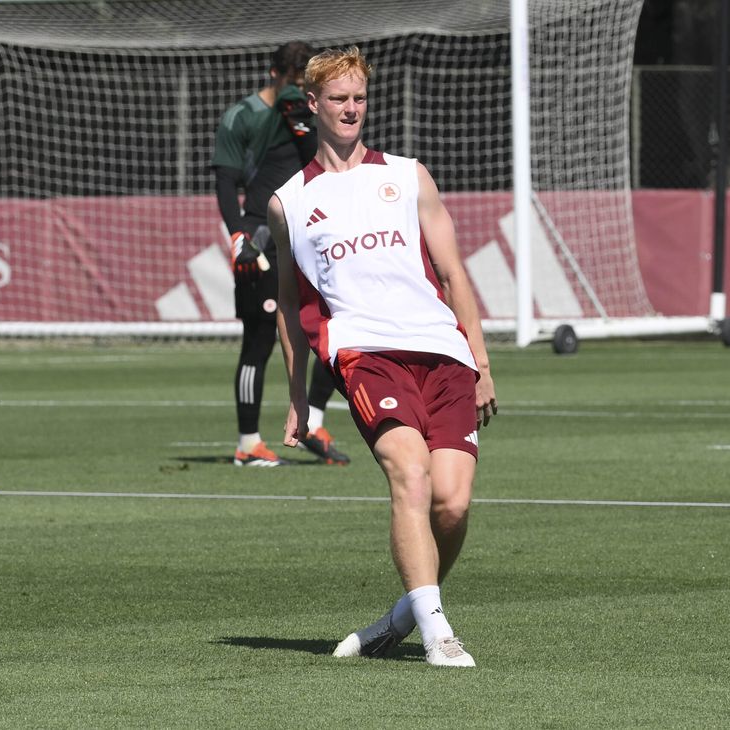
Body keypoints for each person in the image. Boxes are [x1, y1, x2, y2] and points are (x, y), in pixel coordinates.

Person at [269, 46, 497, 667]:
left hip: (443, 351)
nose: (351, 109)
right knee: (410, 473)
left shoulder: (408, 174)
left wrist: (480, 361)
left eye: (359, 98)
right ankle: (438, 634)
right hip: (366, 354)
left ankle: (402, 616)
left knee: (452, 503)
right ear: (311, 105)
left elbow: (452, 272)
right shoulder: (288, 203)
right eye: (338, 99)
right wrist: (297, 400)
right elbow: (290, 310)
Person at [211, 41, 349, 467]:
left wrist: (307, 126)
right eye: (293, 84)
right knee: (258, 340)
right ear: (275, 77)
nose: (298, 93)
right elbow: (225, 181)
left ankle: (316, 421)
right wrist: (238, 235)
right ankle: (248, 442)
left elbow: (328, 165)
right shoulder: (244, 116)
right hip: (260, 238)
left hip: (309, 235)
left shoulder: (310, 116)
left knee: (339, 327)